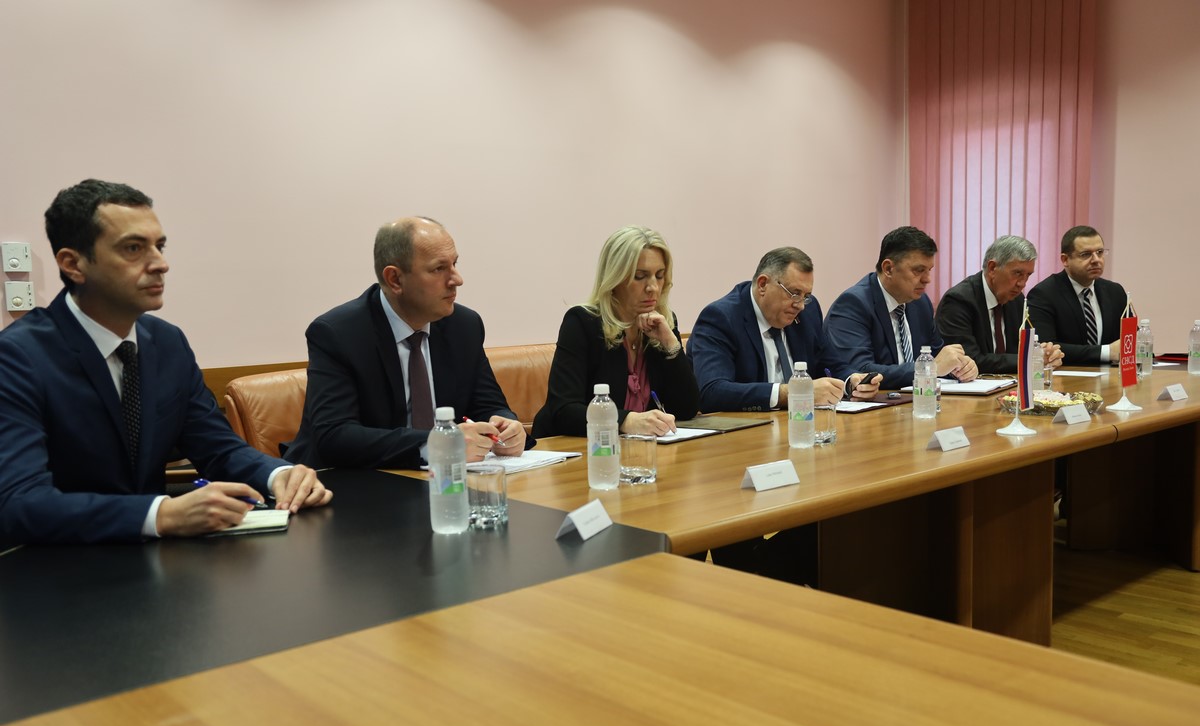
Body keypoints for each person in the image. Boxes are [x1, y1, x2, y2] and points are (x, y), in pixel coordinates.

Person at [0, 179, 331, 545]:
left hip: (156, 560)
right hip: (53, 564)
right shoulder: (17, 357)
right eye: (133, 248)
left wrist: (278, 474)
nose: (161, 264)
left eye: (159, 246)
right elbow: (19, 503)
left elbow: (218, 447)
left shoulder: (167, 342)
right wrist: (161, 514)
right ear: (73, 264)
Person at [285, 217, 527, 469]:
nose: (457, 279)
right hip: (349, 480)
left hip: (440, 480)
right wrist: (436, 445)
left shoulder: (464, 326)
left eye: (454, 264)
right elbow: (335, 436)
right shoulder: (338, 333)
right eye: (438, 268)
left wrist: (506, 426)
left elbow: (488, 404)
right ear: (395, 280)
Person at [532, 225, 699, 438]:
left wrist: (671, 344)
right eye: (640, 276)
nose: (653, 287)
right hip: (577, 448)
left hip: (636, 450)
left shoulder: (662, 322)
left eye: (659, 276)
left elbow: (686, 409)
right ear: (615, 279)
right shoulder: (582, 323)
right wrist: (625, 420)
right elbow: (564, 411)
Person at [688, 246, 882, 412]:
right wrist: (792, 393)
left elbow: (831, 363)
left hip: (801, 424)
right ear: (763, 285)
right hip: (747, 433)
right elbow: (712, 391)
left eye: (806, 295)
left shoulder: (808, 312)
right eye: (794, 293)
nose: (801, 305)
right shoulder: (721, 318)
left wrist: (852, 382)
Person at [825, 225, 979, 389]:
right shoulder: (853, 304)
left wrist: (959, 367)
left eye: (929, 270)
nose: (927, 279)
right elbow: (861, 371)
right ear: (888, 269)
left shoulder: (921, 303)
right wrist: (929, 368)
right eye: (918, 270)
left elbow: (937, 358)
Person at [936, 235, 1065, 374]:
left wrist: (1045, 354)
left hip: (1009, 383)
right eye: (1017, 273)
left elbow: (1020, 350)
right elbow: (968, 361)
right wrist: (1029, 360)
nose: (1022, 283)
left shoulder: (1017, 300)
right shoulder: (958, 301)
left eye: (1028, 275)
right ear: (992, 268)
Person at [1027, 226, 1128, 365]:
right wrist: (1107, 352)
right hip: (1066, 375)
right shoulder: (1044, 294)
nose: (1096, 260)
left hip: (1110, 375)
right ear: (1065, 260)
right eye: (1086, 254)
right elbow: (1046, 349)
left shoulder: (1115, 292)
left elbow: (1132, 339)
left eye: (1100, 252)